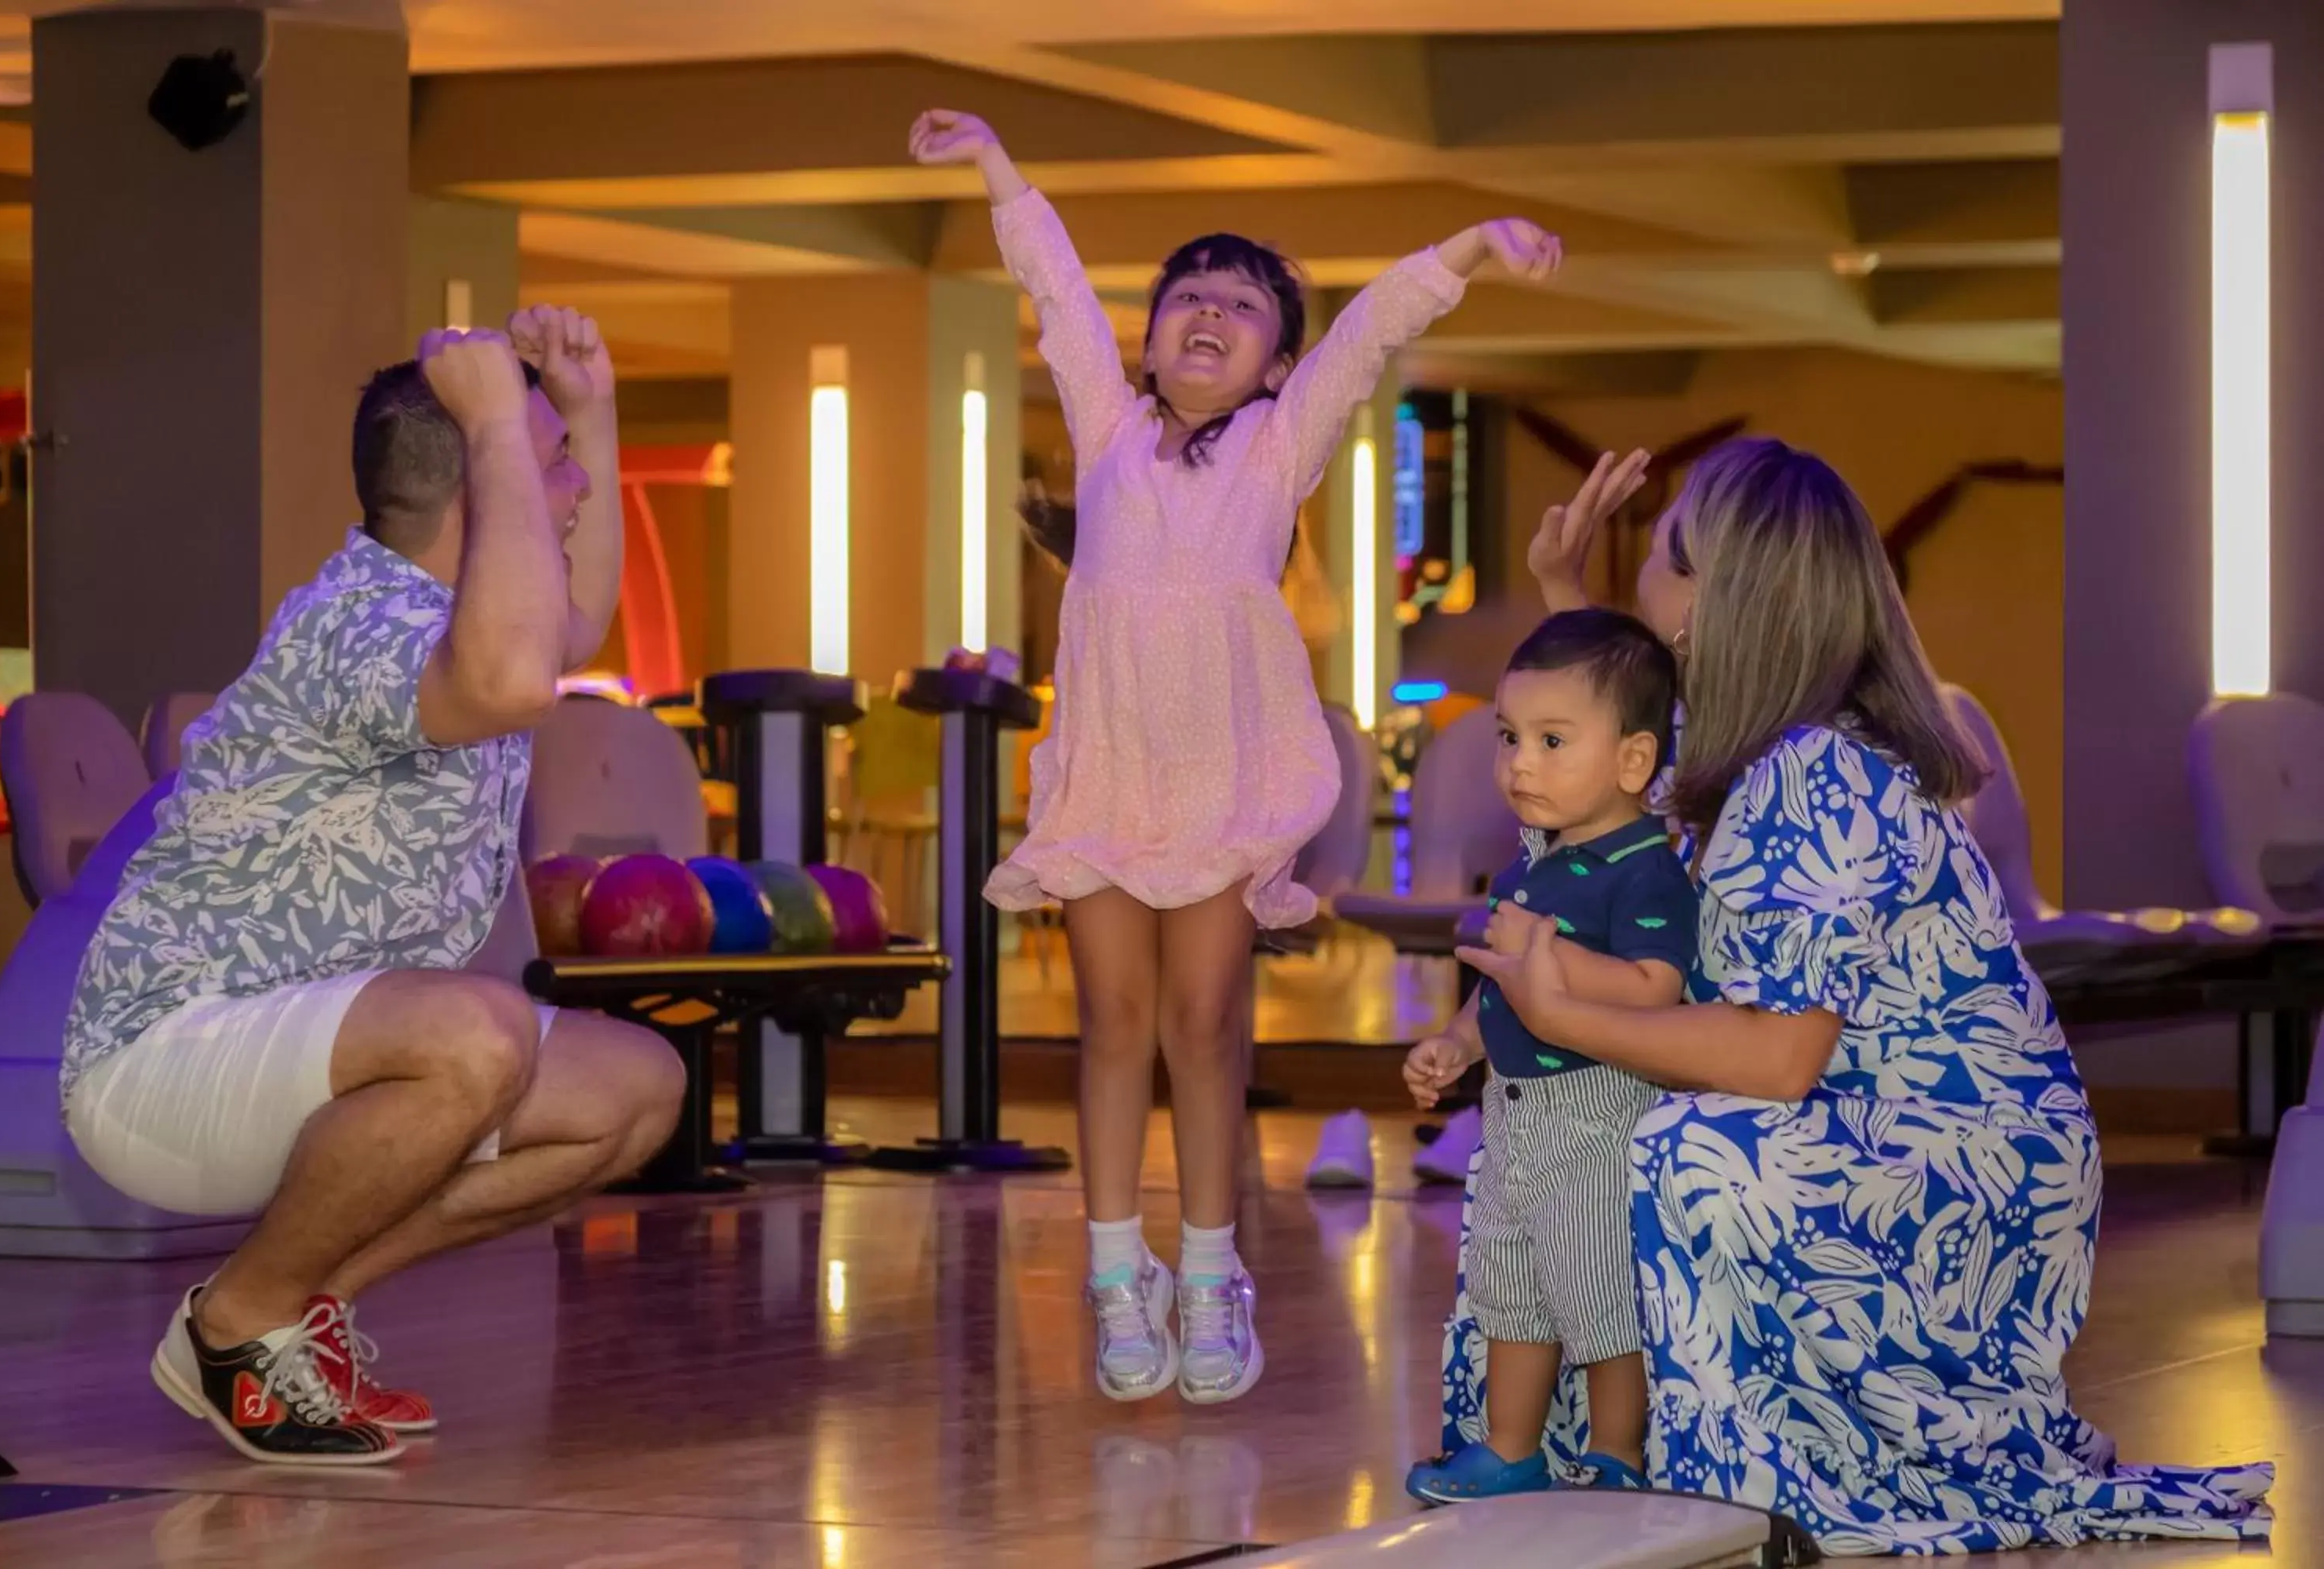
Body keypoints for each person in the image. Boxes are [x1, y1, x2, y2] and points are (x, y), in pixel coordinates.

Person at [1437, 436, 2272, 1549]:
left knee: (1684, 1148)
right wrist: (1561, 590)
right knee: (1571, 1138)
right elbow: (1603, 765)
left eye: (1669, 550)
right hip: (1864, 1111)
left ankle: (1748, 1480)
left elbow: (1782, 1057)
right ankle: (1621, 1450)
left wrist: (1558, 1016)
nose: (1647, 570)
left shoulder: (1814, 773)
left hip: (1955, 1157)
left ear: (1712, 601)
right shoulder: (1740, 751)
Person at [910, 107, 1562, 1403]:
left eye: (1244, 307)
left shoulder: (1281, 445)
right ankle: (1115, 1273)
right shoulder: (1104, 427)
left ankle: (1209, 1272)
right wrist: (994, 164)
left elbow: (1373, 328)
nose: (1208, 314)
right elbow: (1053, 292)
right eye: (1186, 299)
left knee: (1205, 1027)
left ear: (1276, 366)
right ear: (1149, 342)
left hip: (1216, 791)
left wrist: (1473, 248)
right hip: (1107, 783)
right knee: (1110, 1025)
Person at [59, 309, 686, 1466]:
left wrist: (585, 406)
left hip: (309, 1048)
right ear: (477, 488)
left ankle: (294, 1301)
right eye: (553, 466)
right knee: (478, 1033)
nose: (577, 488)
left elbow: (566, 627)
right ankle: (237, 1326)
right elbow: (505, 682)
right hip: (165, 1060)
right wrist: (501, 414)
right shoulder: (363, 624)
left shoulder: (458, 612)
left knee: (636, 1087)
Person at [1398, 610, 1693, 1502]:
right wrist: (1455, 1041)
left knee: (1599, 1292)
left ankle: (1617, 1452)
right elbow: (1499, 987)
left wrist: (1546, 955)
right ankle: (1510, 1444)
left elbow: (1653, 988)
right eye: (1510, 737)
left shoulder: (1646, 867)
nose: (1519, 762)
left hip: (1596, 1111)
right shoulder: (1533, 863)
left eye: (1552, 740)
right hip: (1516, 1112)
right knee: (1511, 1286)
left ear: (1633, 761)